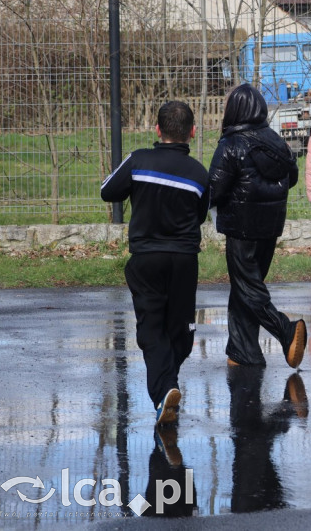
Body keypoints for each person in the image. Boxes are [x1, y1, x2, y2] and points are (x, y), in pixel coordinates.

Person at [100, 101, 209, 427]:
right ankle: (166, 389)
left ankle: (165, 390)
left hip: (146, 259)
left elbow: (108, 191)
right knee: (181, 333)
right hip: (185, 261)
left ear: (157, 130)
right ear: (192, 131)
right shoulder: (199, 174)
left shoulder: (138, 160)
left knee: (151, 331)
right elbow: (200, 215)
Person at [209, 84, 307, 368]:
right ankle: (243, 352)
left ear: (236, 110)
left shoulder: (231, 144)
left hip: (241, 228)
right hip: (270, 225)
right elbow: (293, 176)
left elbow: (214, 188)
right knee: (247, 287)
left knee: (248, 288)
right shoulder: (276, 141)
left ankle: (285, 330)